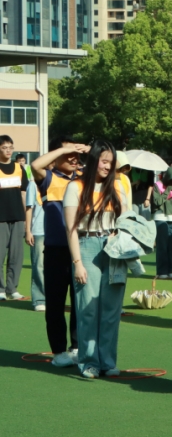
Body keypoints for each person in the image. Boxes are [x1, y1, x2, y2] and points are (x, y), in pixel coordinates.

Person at [64, 140, 130, 379]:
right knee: (88, 309)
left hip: (114, 250)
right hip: (87, 247)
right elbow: (71, 229)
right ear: (93, 160)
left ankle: (108, 361)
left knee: (112, 310)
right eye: (104, 161)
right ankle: (89, 362)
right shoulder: (75, 187)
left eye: (111, 162)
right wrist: (77, 263)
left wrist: (118, 234)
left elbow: (127, 221)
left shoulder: (118, 186)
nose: (107, 166)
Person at [30, 138, 87, 366]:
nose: (74, 158)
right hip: (55, 250)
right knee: (55, 303)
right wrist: (63, 149)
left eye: (76, 154)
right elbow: (35, 165)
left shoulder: (83, 179)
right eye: (68, 154)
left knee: (80, 302)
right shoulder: (48, 177)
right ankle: (59, 351)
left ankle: (77, 347)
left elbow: (110, 165)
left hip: (81, 250)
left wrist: (88, 150)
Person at [0, 135, 28, 300]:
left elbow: (23, 194)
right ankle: (0, 290)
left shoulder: (19, 168)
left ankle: (12, 288)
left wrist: (26, 218)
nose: (8, 151)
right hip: (1, 218)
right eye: (4, 147)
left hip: (18, 217)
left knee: (16, 256)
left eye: (10, 147)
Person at [150, 166, 172, 279]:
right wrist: (167, 190)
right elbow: (157, 202)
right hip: (161, 217)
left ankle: (170, 270)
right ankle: (162, 271)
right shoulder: (158, 185)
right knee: (162, 246)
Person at [25, 174, 46, 311]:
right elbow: (29, 208)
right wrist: (28, 230)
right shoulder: (33, 184)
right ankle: (40, 299)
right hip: (39, 230)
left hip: (59, 231)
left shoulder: (62, 181)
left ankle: (55, 299)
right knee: (39, 265)